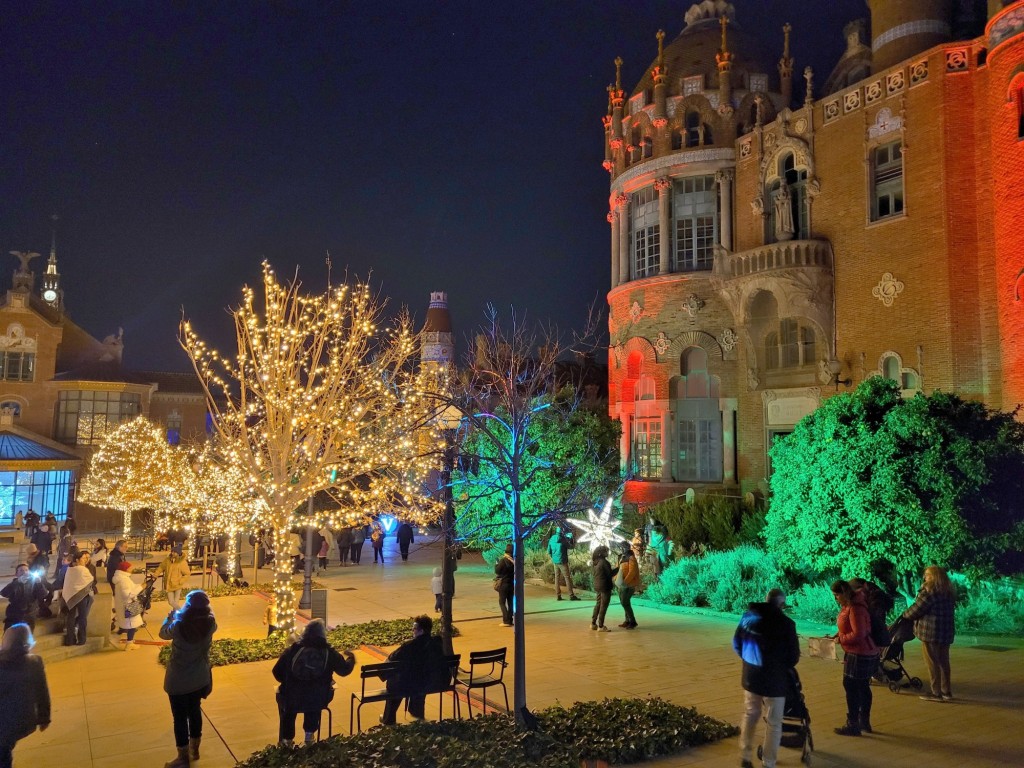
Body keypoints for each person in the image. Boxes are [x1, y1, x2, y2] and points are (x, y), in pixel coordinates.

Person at [734, 588, 801, 768]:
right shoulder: (786, 624)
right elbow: (793, 657)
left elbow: (737, 644)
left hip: (751, 677)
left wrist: (750, 661)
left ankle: (746, 757)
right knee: (774, 723)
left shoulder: (748, 618)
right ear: (781, 604)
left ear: (766, 600)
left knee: (750, 715)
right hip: (775, 680)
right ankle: (768, 762)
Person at [272, 619, 355, 746]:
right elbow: (344, 671)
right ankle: (309, 736)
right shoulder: (329, 653)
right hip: (318, 698)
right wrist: (351, 659)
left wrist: (290, 681)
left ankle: (287, 739)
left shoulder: (293, 650)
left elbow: (277, 672)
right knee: (314, 696)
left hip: (292, 697)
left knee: (289, 703)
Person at [160, 590, 216, 767]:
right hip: (199, 677)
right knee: (194, 711)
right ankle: (195, 749)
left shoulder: (178, 625)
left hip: (178, 678)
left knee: (179, 717)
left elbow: (163, 633)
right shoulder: (211, 623)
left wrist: (170, 618)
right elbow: (210, 617)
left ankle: (182, 757)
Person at [831, 580, 879, 736]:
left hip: (859, 653)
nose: (835, 598)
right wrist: (838, 634)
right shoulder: (853, 606)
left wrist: (842, 639)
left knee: (852, 687)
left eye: (836, 595)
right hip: (864, 652)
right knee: (863, 687)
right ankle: (863, 721)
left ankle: (853, 723)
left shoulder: (855, 608)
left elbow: (859, 633)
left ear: (843, 593)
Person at [902, 565, 956, 703]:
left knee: (932, 662)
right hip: (946, 631)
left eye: (927, 575)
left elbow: (917, 609)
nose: (925, 577)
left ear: (933, 577)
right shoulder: (948, 591)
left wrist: (905, 615)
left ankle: (936, 693)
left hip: (931, 632)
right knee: (944, 662)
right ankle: (946, 691)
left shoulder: (929, 591)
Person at [380, 615, 447, 725]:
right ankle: (417, 712)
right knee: (420, 679)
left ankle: (389, 718)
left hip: (411, 684)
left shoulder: (409, 646)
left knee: (395, 682)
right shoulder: (436, 643)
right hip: (433, 682)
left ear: (421, 631)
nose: (413, 631)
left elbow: (390, 660)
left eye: (414, 629)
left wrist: (384, 675)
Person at [0, 624, 50, 768]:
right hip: (22, 719)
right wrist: (44, 717)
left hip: (4, 722)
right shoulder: (34, 662)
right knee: (5, 749)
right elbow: (42, 691)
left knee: (3, 752)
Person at [61, 551, 95, 646]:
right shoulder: (83, 569)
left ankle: (70, 639)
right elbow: (90, 579)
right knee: (82, 617)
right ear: (77, 560)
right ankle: (82, 639)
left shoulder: (69, 569)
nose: (85, 560)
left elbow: (68, 584)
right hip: (82, 596)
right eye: (83, 558)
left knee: (70, 617)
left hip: (71, 596)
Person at [2, 565, 48, 631]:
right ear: (16, 574)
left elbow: (43, 594)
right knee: (10, 637)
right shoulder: (14, 583)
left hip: (29, 615)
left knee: (26, 638)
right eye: (21, 570)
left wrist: (39, 584)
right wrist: (17, 582)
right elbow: (4, 593)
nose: (24, 572)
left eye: (26, 570)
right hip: (14, 615)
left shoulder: (34, 583)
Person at [112, 560, 145, 650]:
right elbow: (128, 594)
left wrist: (140, 585)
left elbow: (131, 587)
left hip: (125, 605)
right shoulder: (124, 580)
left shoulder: (122, 578)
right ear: (125, 569)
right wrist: (141, 588)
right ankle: (129, 643)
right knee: (132, 625)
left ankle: (129, 642)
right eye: (130, 568)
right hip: (128, 606)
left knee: (130, 625)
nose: (131, 569)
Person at [590, 545, 617, 632]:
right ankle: (601, 626)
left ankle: (593, 623)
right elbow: (610, 574)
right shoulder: (604, 563)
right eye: (606, 551)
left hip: (597, 586)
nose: (608, 553)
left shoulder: (595, 562)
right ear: (602, 553)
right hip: (605, 586)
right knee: (603, 606)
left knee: (598, 604)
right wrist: (619, 568)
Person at [548, 527, 579, 601]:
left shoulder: (552, 538)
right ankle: (571, 595)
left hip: (555, 561)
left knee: (557, 578)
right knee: (567, 578)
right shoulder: (563, 540)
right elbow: (571, 547)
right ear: (562, 532)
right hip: (563, 561)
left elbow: (549, 551)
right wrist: (571, 538)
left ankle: (558, 595)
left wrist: (553, 557)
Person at [616, 545, 640, 629]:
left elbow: (632, 571)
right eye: (621, 547)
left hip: (628, 585)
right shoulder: (621, 557)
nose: (622, 548)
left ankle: (632, 621)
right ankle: (627, 621)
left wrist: (625, 582)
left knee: (624, 602)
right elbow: (618, 570)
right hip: (621, 584)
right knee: (625, 603)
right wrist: (615, 580)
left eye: (623, 547)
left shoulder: (631, 558)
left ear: (627, 547)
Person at [494, 543, 515, 627]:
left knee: (502, 602)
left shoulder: (503, 560)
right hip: (511, 583)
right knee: (510, 602)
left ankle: (506, 620)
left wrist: (496, 563)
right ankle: (510, 620)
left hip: (503, 584)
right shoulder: (514, 561)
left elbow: (497, 571)